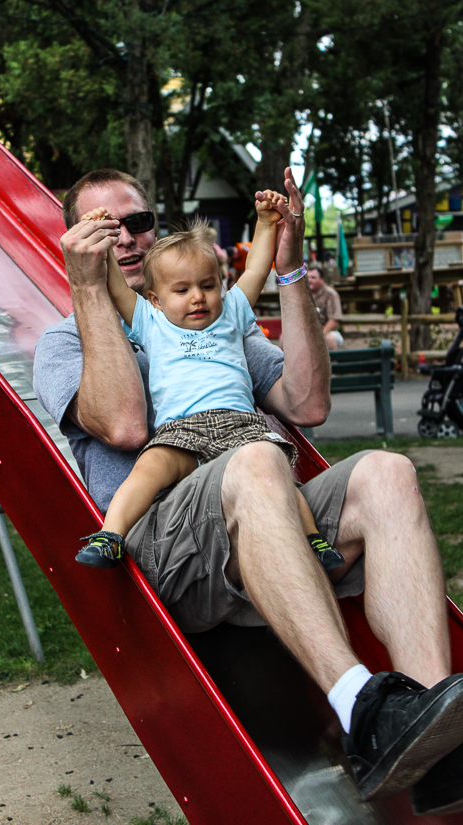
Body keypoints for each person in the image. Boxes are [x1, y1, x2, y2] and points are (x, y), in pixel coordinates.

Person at [33, 166, 463, 815]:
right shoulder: (64, 341)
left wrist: (289, 271)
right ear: (73, 240)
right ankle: (361, 707)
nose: (123, 237)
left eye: (137, 221)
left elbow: (307, 402)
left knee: (388, 473)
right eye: (101, 226)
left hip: (267, 512)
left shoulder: (214, 318)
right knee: (259, 457)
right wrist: (89, 287)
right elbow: (124, 423)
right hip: (164, 550)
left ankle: (435, 734)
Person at [74, 195, 343, 573]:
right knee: (148, 469)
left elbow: (256, 269)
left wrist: (266, 223)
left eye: (207, 285)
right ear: (155, 299)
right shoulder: (150, 322)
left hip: (240, 426)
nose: (198, 297)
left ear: (221, 285)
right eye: (182, 290)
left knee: (277, 475)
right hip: (179, 431)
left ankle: (312, 538)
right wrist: (102, 242)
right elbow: (117, 288)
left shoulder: (231, 312)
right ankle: (110, 535)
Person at [307, 264, 344, 350]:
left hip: (328, 332)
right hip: (307, 332)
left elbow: (334, 320)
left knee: (329, 339)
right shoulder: (303, 294)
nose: (309, 280)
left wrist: (320, 335)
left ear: (322, 279)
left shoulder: (331, 294)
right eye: (307, 277)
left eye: (313, 277)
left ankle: (332, 359)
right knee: (284, 338)